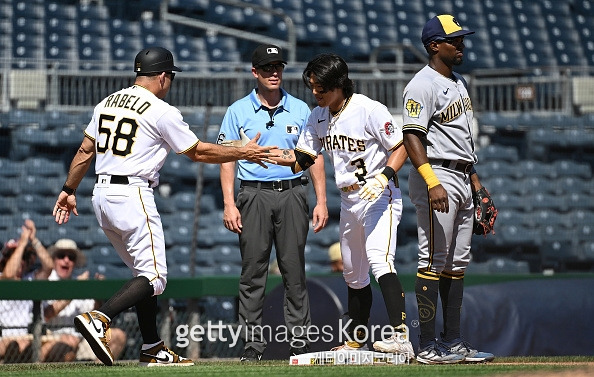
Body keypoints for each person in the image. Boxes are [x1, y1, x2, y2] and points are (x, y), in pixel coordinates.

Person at [51, 46, 276, 367]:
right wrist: (244, 153)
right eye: (170, 75)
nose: (170, 81)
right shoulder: (160, 110)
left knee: (142, 276)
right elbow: (197, 152)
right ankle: (100, 318)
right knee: (155, 278)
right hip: (133, 194)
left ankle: (152, 347)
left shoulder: (107, 102)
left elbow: (86, 149)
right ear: (162, 76)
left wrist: (68, 188)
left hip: (100, 195)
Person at [267, 53, 414, 359]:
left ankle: (401, 336)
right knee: (353, 273)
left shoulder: (368, 109)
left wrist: (385, 177)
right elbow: (303, 158)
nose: (315, 93)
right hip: (349, 199)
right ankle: (357, 339)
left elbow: (400, 148)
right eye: (313, 87)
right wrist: (269, 155)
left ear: (339, 85)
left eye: (321, 88)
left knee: (379, 260)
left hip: (378, 195)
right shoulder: (318, 115)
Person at [216, 43, 328, 361]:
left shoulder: (302, 109)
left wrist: (321, 200)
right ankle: (252, 346)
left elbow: (314, 158)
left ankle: (299, 344)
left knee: (294, 270)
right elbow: (227, 159)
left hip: (293, 192)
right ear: (255, 72)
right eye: (267, 68)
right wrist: (228, 203)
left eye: (278, 66)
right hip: (253, 194)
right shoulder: (237, 111)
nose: (274, 72)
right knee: (253, 273)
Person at [402, 14, 495, 364]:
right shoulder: (421, 84)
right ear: (433, 46)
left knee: (456, 263)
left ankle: (452, 341)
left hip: (461, 175)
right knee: (434, 259)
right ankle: (427, 346)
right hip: (436, 174)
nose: (461, 45)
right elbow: (411, 135)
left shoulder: (459, 82)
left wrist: (476, 183)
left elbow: (461, 140)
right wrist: (431, 181)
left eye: (461, 39)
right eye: (453, 40)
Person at [42, 239, 127, 362]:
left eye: (71, 257)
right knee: (69, 342)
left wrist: (98, 295)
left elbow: (94, 318)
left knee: (118, 336)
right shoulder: (47, 280)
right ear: (54, 259)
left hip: (80, 338)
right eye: (61, 256)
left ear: (75, 262)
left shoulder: (79, 280)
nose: (66, 260)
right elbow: (47, 315)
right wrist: (75, 289)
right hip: (52, 338)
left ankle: (99, 374)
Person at [0, 220, 55, 362]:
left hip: (30, 336)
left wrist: (33, 240)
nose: (21, 261)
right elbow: (9, 275)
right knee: (15, 345)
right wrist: (22, 243)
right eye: (16, 255)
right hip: (4, 337)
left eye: (24, 257)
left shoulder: (30, 278)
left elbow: (49, 266)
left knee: (63, 343)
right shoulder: (2, 277)